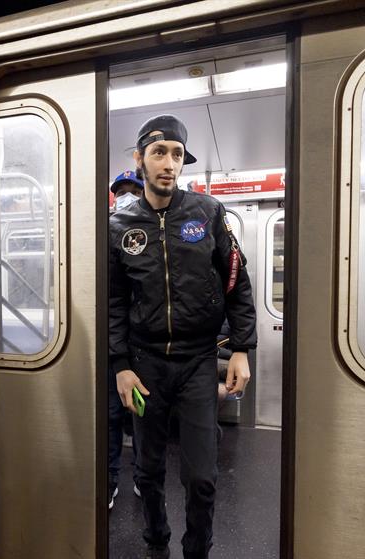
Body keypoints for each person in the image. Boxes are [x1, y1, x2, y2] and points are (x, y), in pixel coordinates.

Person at [109, 114, 257, 559]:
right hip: (145, 361)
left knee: (201, 475)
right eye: (159, 153)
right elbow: (115, 302)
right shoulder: (119, 226)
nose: (169, 163)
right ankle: (157, 542)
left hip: (196, 362)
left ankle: (196, 550)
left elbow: (236, 281)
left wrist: (242, 349)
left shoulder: (207, 213)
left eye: (177, 154)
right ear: (139, 160)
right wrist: (120, 365)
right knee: (149, 471)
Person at [108, 170, 145, 509]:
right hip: (114, 342)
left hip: (145, 342)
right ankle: (109, 480)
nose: (127, 196)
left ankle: (143, 480)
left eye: (134, 190)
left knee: (144, 417)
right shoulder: (106, 231)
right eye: (121, 191)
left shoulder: (150, 231)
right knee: (111, 417)